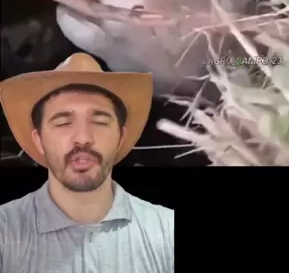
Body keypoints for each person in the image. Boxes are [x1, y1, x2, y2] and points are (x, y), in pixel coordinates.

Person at [0, 52, 174, 272]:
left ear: (121, 137)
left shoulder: (167, 230)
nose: (83, 138)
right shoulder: (5, 231)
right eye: (63, 123)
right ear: (38, 140)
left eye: (99, 121)